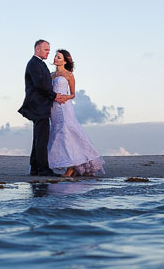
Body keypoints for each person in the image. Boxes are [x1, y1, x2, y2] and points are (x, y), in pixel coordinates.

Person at [47, 49, 104, 177]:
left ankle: (71, 167)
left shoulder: (69, 75)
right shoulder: (51, 75)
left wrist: (65, 97)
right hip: (54, 107)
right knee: (57, 133)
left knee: (67, 132)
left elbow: (73, 94)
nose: (55, 58)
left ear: (65, 61)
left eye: (59, 57)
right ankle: (65, 162)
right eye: (55, 56)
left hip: (64, 106)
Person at [17, 40, 64, 176]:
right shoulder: (34, 64)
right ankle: (43, 169)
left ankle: (35, 168)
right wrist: (54, 95)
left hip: (41, 105)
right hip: (38, 105)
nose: (48, 52)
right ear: (37, 49)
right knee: (42, 138)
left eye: (49, 50)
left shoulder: (39, 63)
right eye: (46, 50)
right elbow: (39, 85)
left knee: (38, 138)